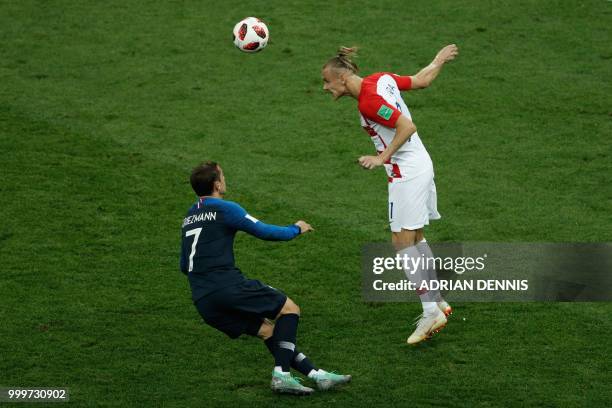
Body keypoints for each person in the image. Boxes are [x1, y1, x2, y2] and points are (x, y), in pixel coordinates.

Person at [321, 44, 459, 345]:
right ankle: (437, 302)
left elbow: (406, 126)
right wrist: (438, 60)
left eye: (327, 81)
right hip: (419, 165)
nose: (324, 87)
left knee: (401, 243)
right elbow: (421, 80)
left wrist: (382, 157)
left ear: (342, 79)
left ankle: (429, 311)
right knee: (417, 237)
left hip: (407, 172)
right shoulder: (381, 79)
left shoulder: (368, 101)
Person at [180, 161, 351, 395]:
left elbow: (184, 265)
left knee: (267, 331)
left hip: (203, 301)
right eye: (223, 176)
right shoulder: (225, 209)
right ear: (217, 184)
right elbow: (265, 231)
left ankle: (317, 375)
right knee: (290, 309)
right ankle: (281, 375)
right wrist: (295, 228)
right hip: (227, 286)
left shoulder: (189, 216)